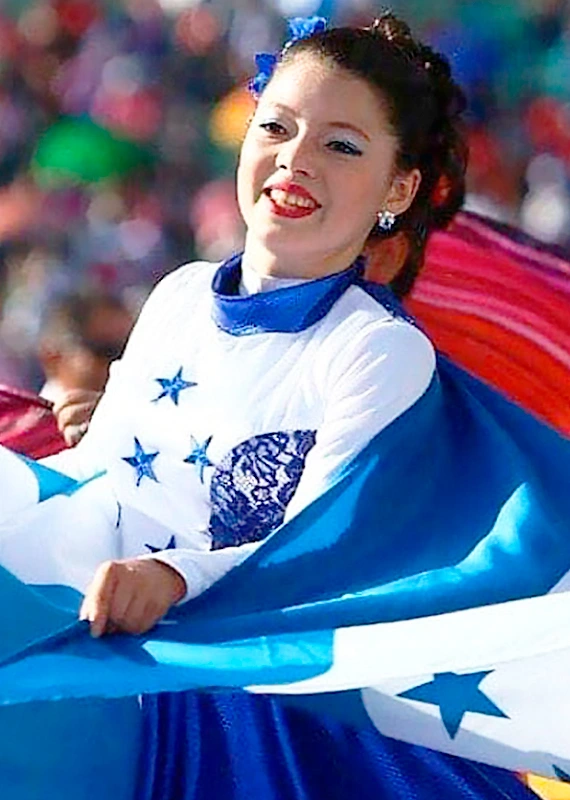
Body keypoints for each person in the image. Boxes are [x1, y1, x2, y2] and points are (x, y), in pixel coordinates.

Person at [0, 14, 541, 800]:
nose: (295, 159)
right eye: (277, 127)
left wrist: (175, 577)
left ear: (398, 188)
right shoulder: (180, 292)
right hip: (102, 626)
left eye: (341, 145)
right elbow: (104, 478)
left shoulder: (379, 351)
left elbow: (327, 563)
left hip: (237, 696)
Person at [37, 290, 134, 445]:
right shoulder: (22, 436)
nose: (120, 364)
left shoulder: (140, 420)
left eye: (131, 351)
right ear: (53, 358)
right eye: (108, 351)